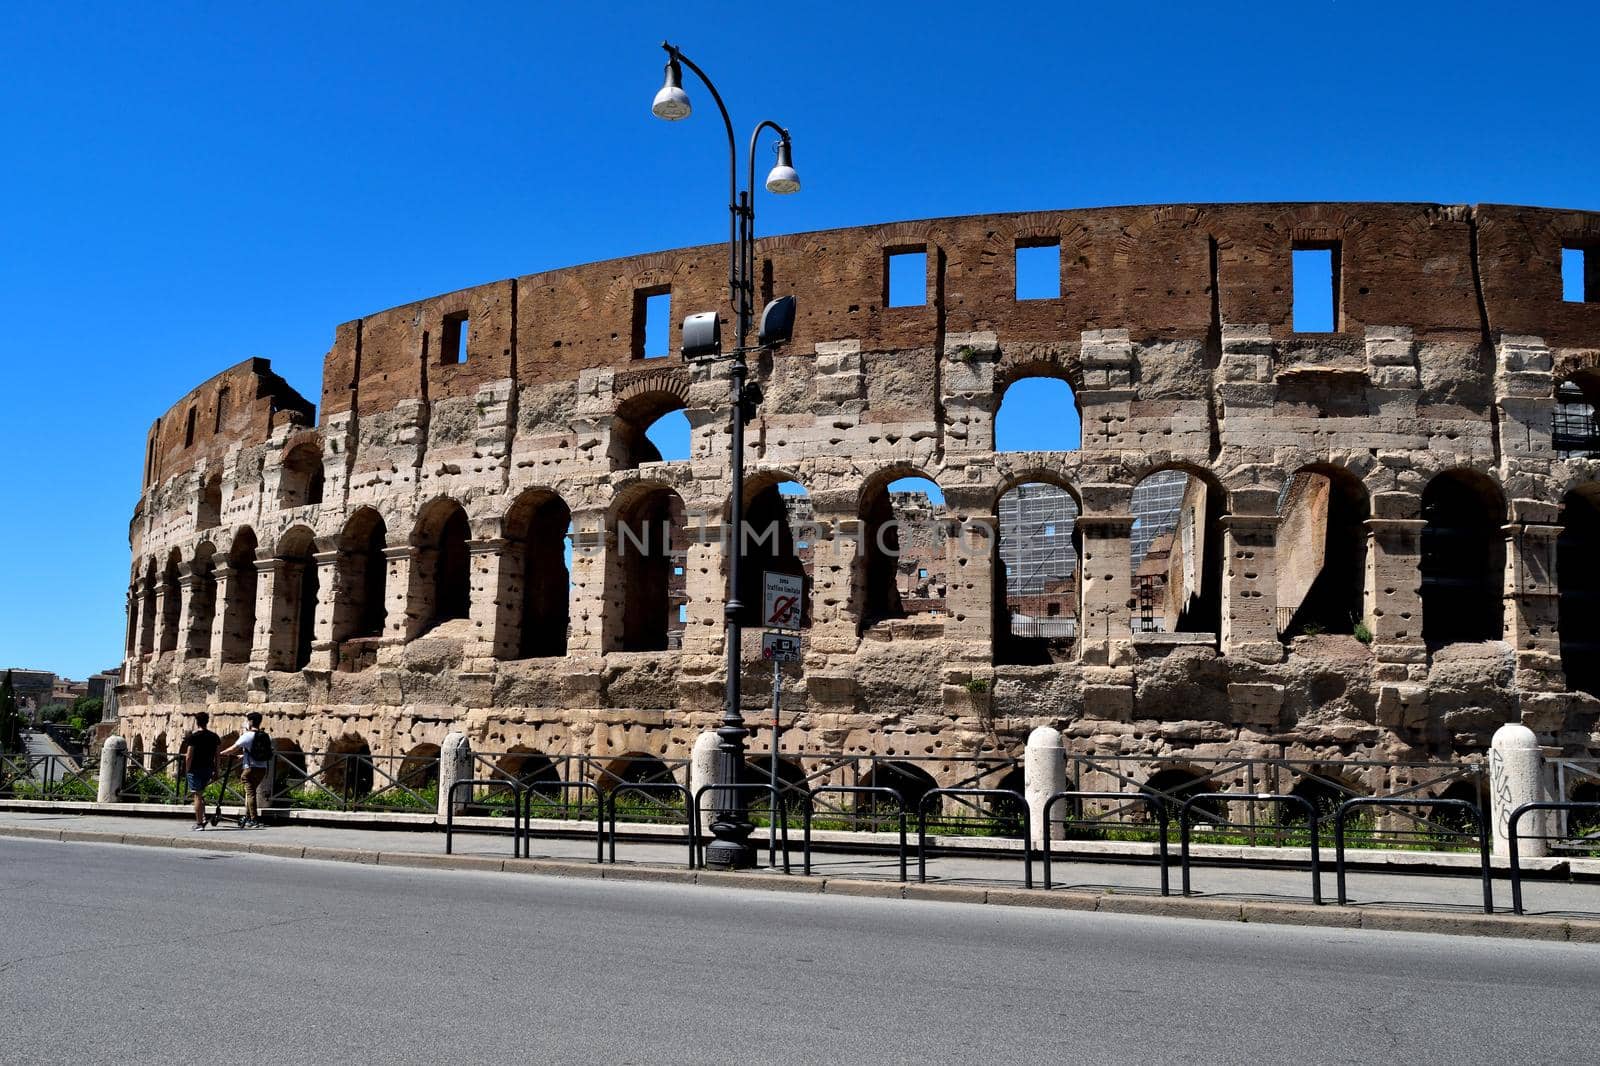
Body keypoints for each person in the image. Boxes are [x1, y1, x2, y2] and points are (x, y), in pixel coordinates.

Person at [218, 712, 270, 828]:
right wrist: (242, 756)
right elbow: (256, 752)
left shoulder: (248, 735)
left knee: (250, 793)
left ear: (250, 722)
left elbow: (234, 748)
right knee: (251, 793)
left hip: (250, 769)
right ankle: (248, 817)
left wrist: (220, 753)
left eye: (247, 721)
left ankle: (253, 819)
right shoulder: (265, 735)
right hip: (262, 769)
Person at [177, 712, 220, 831]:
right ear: (207, 721)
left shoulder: (193, 737)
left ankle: (199, 823)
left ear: (197, 722)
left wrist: (187, 769)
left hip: (195, 769)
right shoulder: (214, 736)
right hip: (208, 768)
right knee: (200, 794)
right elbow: (217, 756)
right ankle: (204, 818)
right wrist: (216, 771)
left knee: (197, 796)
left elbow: (189, 756)